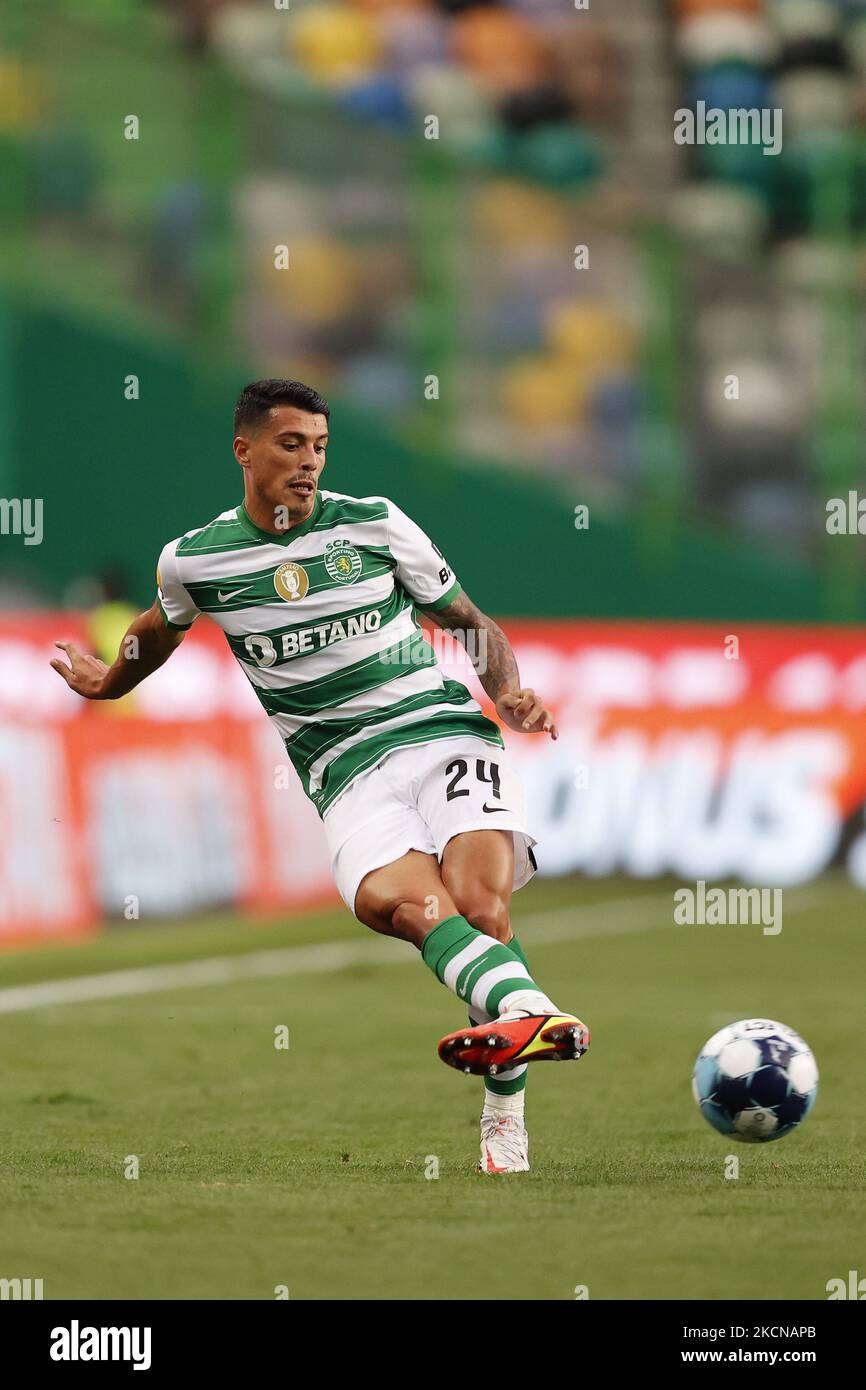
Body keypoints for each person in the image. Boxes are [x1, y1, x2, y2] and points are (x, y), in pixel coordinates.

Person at [51, 379, 590, 1174]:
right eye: (291, 445)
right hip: (344, 774)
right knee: (395, 903)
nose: (309, 463)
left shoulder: (374, 523)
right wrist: (107, 683)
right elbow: (157, 630)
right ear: (244, 450)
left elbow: (467, 623)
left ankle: (506, 1106)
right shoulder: (196, 559)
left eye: (320, 447)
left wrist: (506, 692)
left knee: (482, 908)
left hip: (440, 731)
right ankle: (532, 1016)